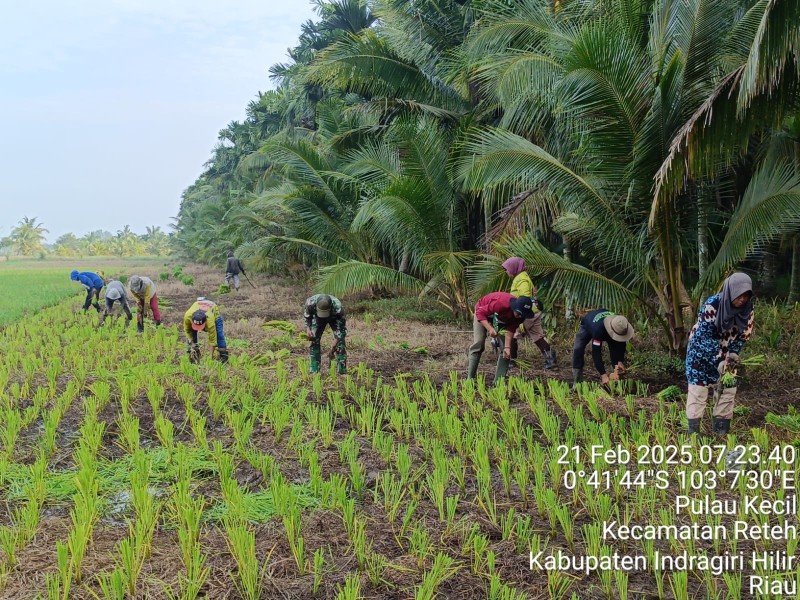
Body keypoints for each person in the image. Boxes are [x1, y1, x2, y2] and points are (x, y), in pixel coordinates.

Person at [685, 273, 754, 436]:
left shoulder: (748, 310)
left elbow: (743, 335)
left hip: (727, 354)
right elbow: (705, 338)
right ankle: (694, 434)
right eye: (739, 295)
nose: (742, 299)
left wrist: (734, 353)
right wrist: (719, 360)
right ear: (730, 291)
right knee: (698, 391)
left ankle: (721, 432)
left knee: (727, 389)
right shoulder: (713, 305)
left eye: (746, 296)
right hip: (700, 353)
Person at [467, 292, 537, 381]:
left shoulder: (520, 317)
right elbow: (480, 313)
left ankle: (498, 382)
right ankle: (470, 379)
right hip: (482, 312)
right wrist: (490, 328)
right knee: (479, 343)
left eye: (522, 315)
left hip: (500, 319)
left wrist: (507, 347)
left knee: (506, 350)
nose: (520, 316)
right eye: (518, 313)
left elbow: (511, 329)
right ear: (514, 307)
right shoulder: (501, 304)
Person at [502, 257, 556, 370]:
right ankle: (550, 358)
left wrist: (520, 319)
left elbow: (524, 298)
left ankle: (511, 361)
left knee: (512, 335)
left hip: (525, 313)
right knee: (537, 337)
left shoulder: (521, 279)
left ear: (514, 268)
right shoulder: (523, 277)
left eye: (507, 269)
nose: (506, 271)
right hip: (533, 311)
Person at [571, 309, 634, 388]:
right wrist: (603, 375)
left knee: (615, 348)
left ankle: (615, 378)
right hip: (588, 324)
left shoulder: (621, 323)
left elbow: (621, 345)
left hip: (609, 326)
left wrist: (619, 361)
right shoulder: (598, 330)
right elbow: (596, 352)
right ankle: (577, 382)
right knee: (578, 348)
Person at [304, 294, 347, 374]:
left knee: (340, 343)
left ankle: (342, 371)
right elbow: (307, 317)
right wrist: (308, 329)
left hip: (334, 317)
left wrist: (336, 341)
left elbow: (341, 330)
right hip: (317, 317)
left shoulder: (338, 308)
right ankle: (314, 370)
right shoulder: (310, 303)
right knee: (313, 340)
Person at [183, 297, 229, 363]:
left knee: (219, 335)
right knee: (191, 336)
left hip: (214, 312)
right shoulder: (187, 317)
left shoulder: (210, 321)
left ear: (205, 322)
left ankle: (223, 356)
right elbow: (187, 331)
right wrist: (192, 343)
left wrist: (210, 358)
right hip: (199, 306)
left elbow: (212, 340)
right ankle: (194, 354)